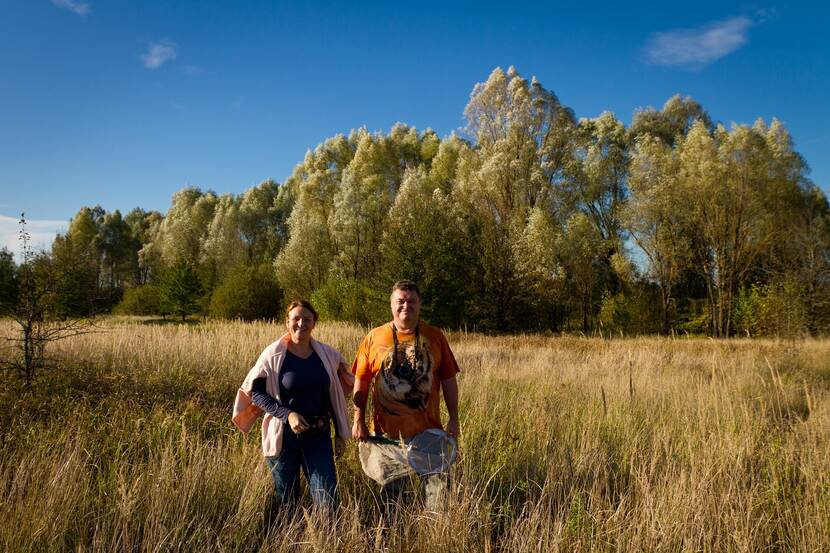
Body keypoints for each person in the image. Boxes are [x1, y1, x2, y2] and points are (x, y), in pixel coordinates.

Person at [232, 299, 354, 515]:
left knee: (328, 503)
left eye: (307, 319)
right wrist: (287, 415)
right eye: (295, 319)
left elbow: (334, 396)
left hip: (318, 436)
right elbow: (256, 393)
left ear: (314, 323)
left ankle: (325, 542)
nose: (301, 324)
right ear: (287, 323)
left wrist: (341, 435)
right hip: (283, 437)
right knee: (288, 504)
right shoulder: (273, 354)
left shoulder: (327, 355)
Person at [351, 280, 460, 510]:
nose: (405, 306)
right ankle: (392, 537)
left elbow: (449, 380)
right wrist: (358, 419)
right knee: (392, 491)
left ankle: (435, 534)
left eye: (411, 301)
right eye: (400, 301)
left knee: (438, 488)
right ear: (391, 305)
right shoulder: (374, 337)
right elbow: (361, 381)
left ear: (420, 305)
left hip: (428, 433)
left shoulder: (435, 336)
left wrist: (454, 417)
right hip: (386, 434)